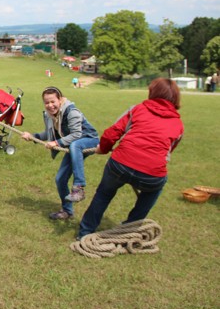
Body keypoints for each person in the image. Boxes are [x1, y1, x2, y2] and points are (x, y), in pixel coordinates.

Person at [77, 78, 184, 239]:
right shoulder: (178, 124)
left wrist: (103, 149)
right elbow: (168, 152)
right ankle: (128, 231)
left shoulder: (137, 109)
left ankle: (85, 232)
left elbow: (113, 132)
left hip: (120, 164)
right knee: (154, 190)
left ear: (152, 92)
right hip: (151, 174)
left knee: (104, 194)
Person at [21, 87, 99, 220]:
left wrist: (56, 143)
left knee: (76, 144)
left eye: (53, 101)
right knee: (60, 179)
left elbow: (77, 134)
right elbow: (49, 133)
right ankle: (67, 211)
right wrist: (33, 136)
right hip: (73, 146)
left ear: (60, 99)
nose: (50, 105)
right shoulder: (49, 115)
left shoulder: (71, 111)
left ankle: (79, 187)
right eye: (47, 102)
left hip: (88, 140)